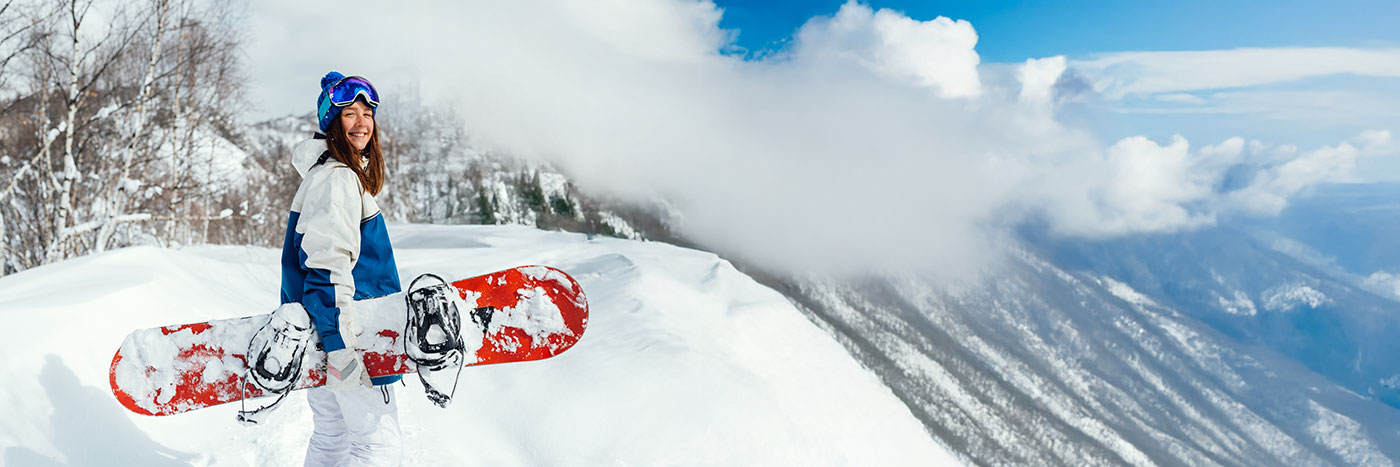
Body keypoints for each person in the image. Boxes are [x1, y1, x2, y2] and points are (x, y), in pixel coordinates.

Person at [281, 71, 403, 466]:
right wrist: (340, 348)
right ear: (332, 123)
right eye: (349, 113)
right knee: (378, 447)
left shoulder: (324, 177)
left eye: (367, 114)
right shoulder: (338, 179)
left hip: (319, 338)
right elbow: (327, 266)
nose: (362, 123)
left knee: (332, 437)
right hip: (351, 338)